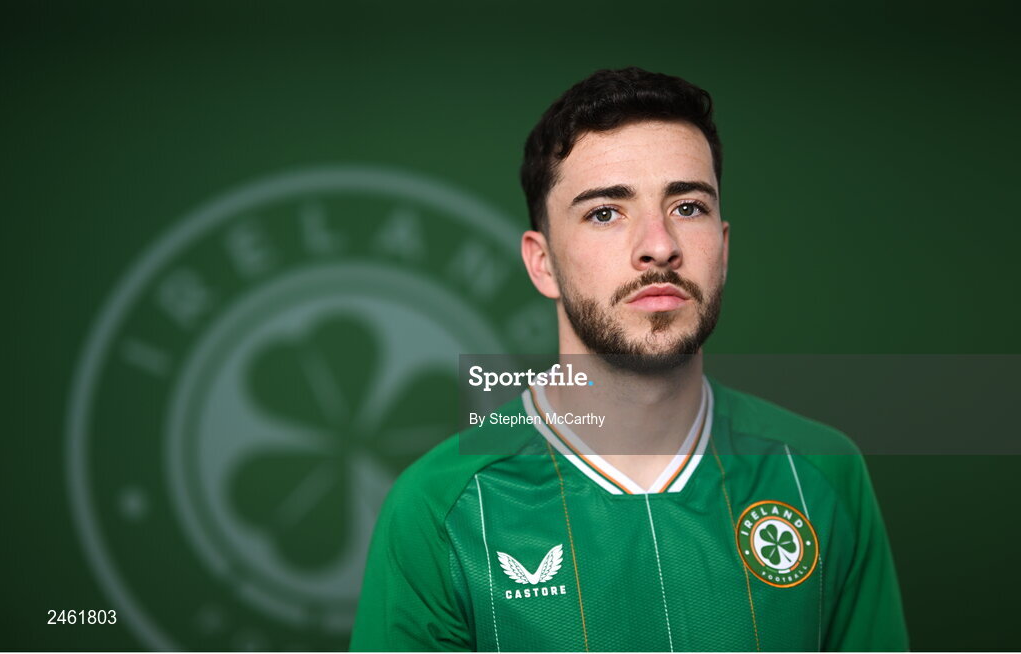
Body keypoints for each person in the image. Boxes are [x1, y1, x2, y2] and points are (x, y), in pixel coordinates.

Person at [350, 67, 908, 652]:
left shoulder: (822, 471)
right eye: (605, 213)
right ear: (542, 264)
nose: (659, 244)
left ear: (724, 246)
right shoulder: (439, 510)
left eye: (688, 206)